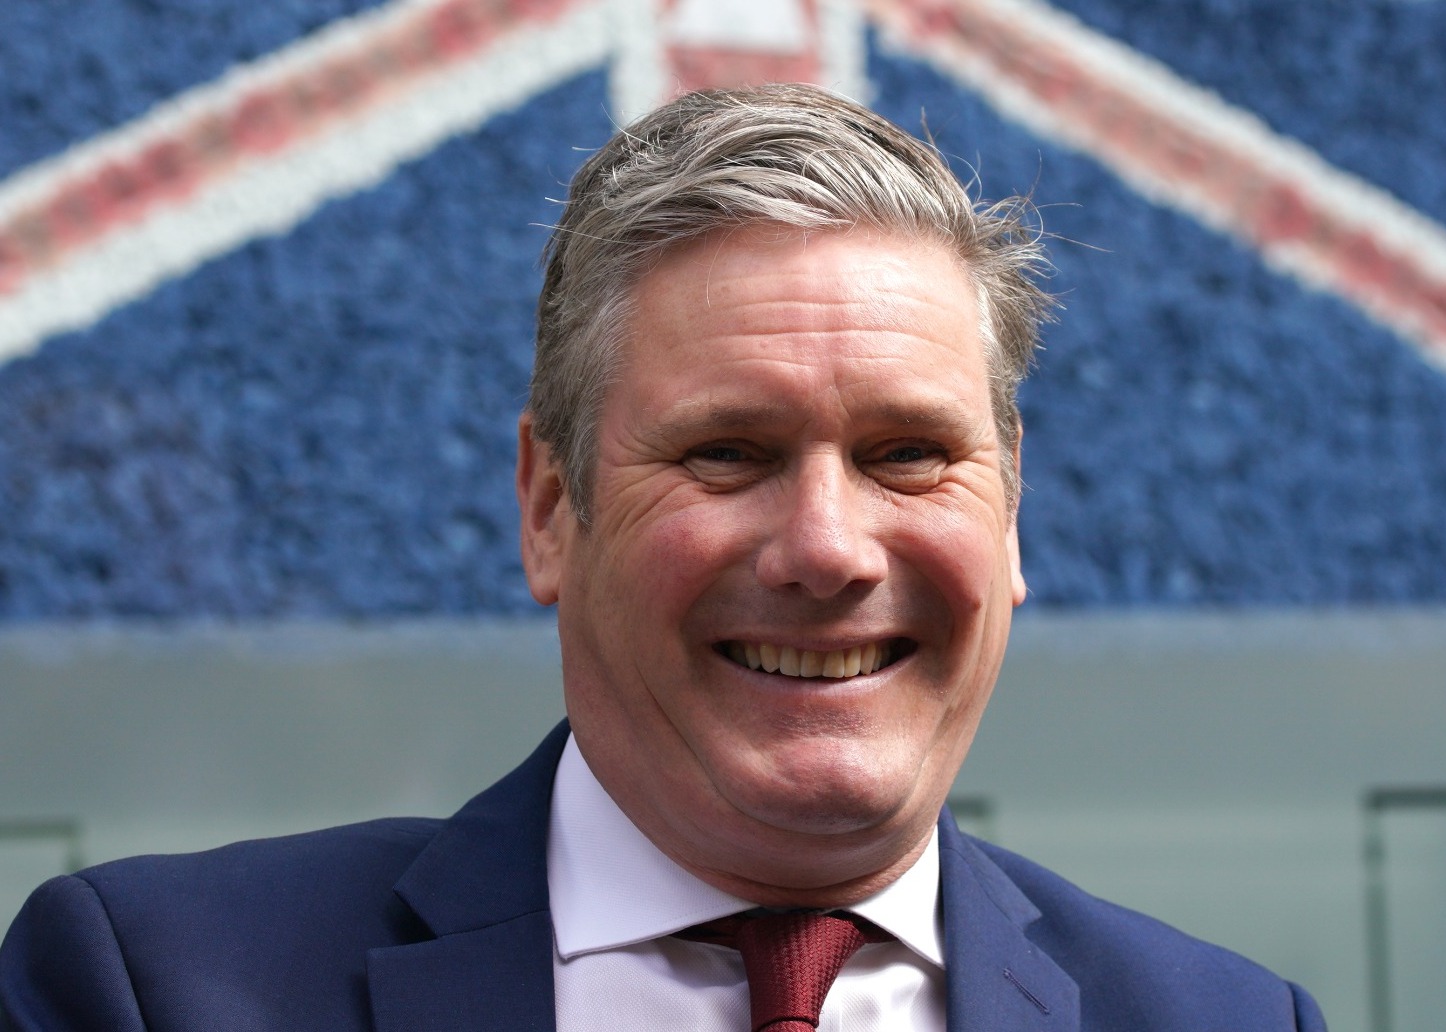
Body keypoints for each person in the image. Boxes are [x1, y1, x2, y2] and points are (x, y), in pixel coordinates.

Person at [0, 84, 1325, 1031]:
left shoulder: (1230, 1019)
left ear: (1012, 511)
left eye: (909, 454)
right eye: (728, 453)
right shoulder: (151, 988)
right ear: (548, 508)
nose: (827, 548)